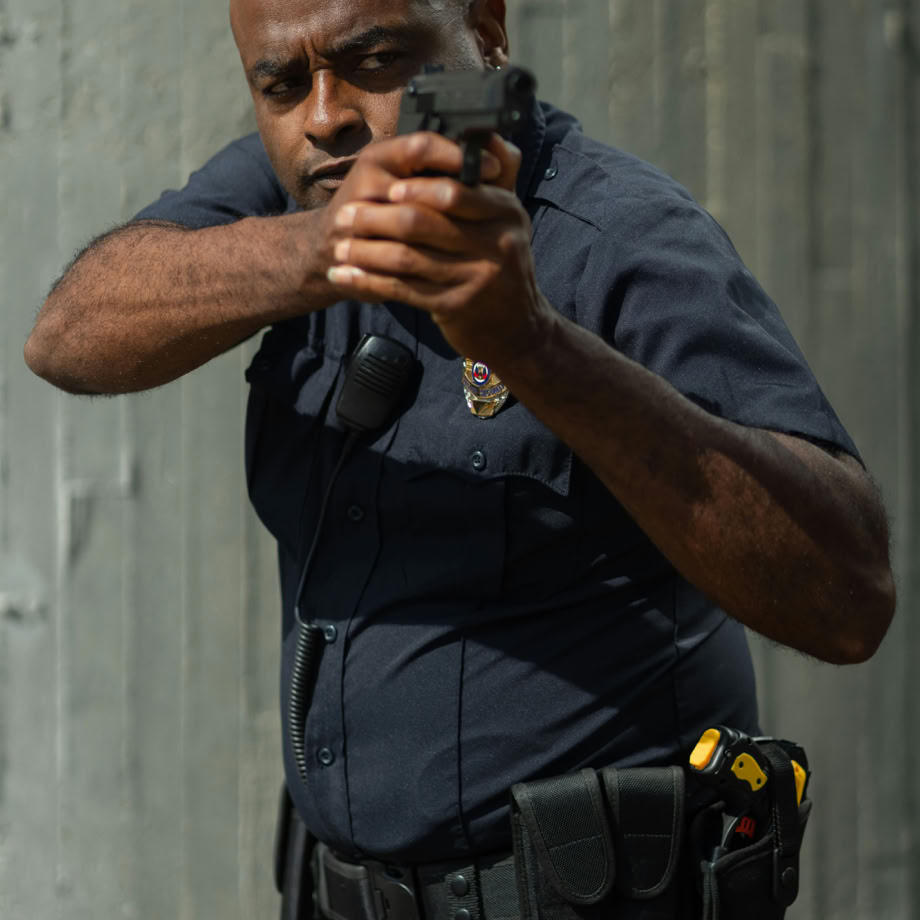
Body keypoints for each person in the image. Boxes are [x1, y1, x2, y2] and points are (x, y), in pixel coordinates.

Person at [24, 0, 895, 916]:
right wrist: (319, 250)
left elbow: (848, 598)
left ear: (485, 29)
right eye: (280, 85)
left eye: (375, 59)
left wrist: (535, 346)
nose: (325, 114)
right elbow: (66, 334)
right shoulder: (306, 185)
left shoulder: (618, 234)